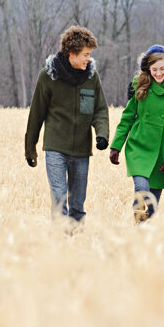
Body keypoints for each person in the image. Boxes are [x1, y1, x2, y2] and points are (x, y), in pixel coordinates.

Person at [24, 26, 110, 225]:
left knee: (78, 205)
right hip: (56, 148)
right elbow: (36, 114)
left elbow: (100, 110)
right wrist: (30, 149)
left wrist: (102, 134)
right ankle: (60, 248)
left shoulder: (91, 77)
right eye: (85, 55)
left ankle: (76, 246)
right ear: (72, 54)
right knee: (60, 199)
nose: (89, 59)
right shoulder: (47, 77)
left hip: (81, 150)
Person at [109, 45, 164, 222]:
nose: (159, 73)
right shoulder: (139, 85)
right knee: (142, 189)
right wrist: (115, 146)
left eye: (162, 69)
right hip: (139, 147)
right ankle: (139, 223)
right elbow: (127, 117)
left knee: (152, 205)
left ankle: (143, 237)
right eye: (154, 70)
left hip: (162, 151)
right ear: (148, 69)